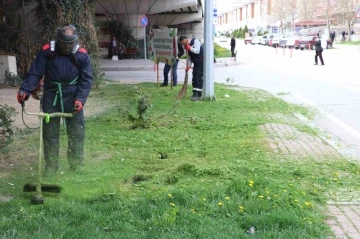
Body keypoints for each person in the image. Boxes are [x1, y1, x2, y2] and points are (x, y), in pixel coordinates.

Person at [16, 24, 93, 175]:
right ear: (58, 40)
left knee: (76, 132)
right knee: (50, 134)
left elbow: (86, 80)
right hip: (52, 95)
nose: (67, 46)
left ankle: (76, 164)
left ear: (75, 42)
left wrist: (81, 99)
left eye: (70, 43)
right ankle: (51, 166)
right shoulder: (47, 51)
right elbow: (35, 73)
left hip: (73, 96)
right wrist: (25, 90)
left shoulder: (82, 55)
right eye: (64, 43)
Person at [180, 36, 204, 101]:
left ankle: (198, 94)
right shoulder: (187, 46)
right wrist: (188, 65)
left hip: (201, 62)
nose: (183, 45)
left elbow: (197, 51)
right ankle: (194, 93)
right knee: (194, 77)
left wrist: (189, 48)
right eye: (182, 44)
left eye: (183, 43)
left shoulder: (195, 41)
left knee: (198, 77)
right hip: (196, 64)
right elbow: (189, 57)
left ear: (186, 40)